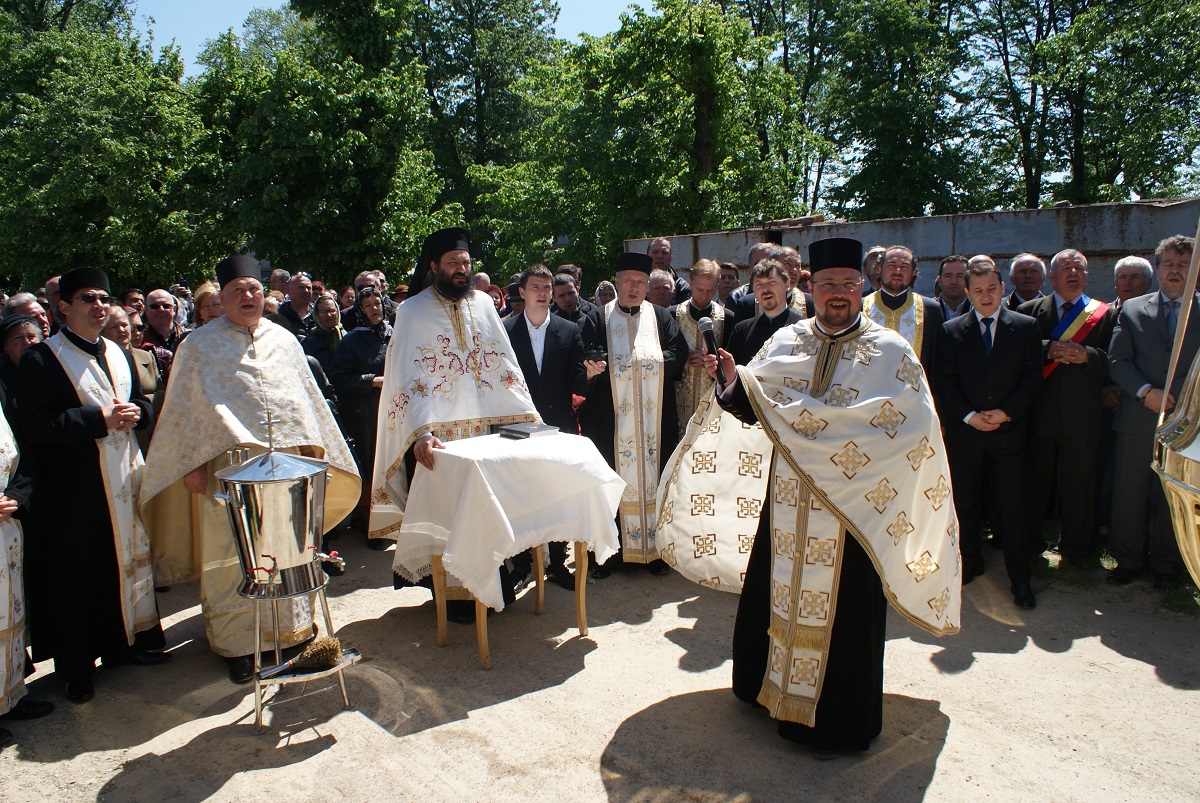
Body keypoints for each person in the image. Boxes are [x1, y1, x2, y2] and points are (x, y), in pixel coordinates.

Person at [668, 236, 959, 756]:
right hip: (788, 506)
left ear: (861, 287)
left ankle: (837, 721)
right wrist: (734, 384)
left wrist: (843, 439)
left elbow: (915, 430)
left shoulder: (891, 352)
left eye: (848, 284)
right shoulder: (788, 343)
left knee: (845, 615)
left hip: (852, 513)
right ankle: (767, 690)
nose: (838, 294)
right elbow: (755, 407)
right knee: (776, 595)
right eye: (827, 286)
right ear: (813, 288)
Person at [139, 256, 359, 684]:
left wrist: (320, 458)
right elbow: (185, 414)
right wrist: (192, 466)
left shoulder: (285, 341)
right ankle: (238, 645)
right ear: (221, 297)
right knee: (232, 560)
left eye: (253, 289)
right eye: (237, 289)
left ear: (264, 293)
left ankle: (295, 634)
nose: (247, 296)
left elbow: (308, 407)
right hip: (228, 471)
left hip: (290, 471)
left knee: (291, 553)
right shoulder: (199, 346)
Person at [369, 228, 540, 618]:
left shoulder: (482, 304)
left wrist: (527, 416)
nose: (462, 270)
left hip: (483, 435)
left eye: (465, 263)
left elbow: (503, 364)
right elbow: (406, 378)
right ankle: (451, 596)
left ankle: (492, 586)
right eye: (453, 264)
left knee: (485, 512)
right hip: (439, 441)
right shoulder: (411, 311)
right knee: (448, 517)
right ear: (433, 267)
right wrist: (420, 434)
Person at [19, 267, 166, 704]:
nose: (98, 306)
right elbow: (36, 425)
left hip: (123, 477)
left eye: (103, 298)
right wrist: (97, 420)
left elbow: (141, 401)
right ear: (63, 308)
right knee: (78, 577)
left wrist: (140, 412)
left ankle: (123, 647)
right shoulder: (43, 358)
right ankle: (77, 669)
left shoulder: (119, 352)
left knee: (121, 562)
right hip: (75, 491)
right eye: (87, 298)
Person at [937, 261, 1042, 608]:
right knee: (964, 503)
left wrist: (1006, 412)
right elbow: (945, 381)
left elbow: (1031, 378)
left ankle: (1020, 580)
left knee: (1012, 507)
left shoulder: (1026, 327)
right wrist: (968, 416)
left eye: (992, 289)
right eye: (978, 290)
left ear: (1002, 288)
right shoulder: (951, 330)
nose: (986, 296)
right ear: (967, 292)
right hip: (967, 436)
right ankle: (969, 563)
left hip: (1008, 434)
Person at [580, 252, 688, 577]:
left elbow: (679, 352)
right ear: (616, 282)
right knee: (609, 484)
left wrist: (647, 362)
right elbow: (586, 353)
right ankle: (608, 556)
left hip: (654, 423)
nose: (634, 287)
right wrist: (594, 364)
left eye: (640, 282)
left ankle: (654, 553)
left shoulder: (662, 316)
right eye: (628, 280)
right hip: (611, 423)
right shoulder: (598, 318)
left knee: (657, 483)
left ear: (647, 285)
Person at [1107, 235, 1197, 588]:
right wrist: (1147, 392)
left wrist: (1181, 397)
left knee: (1172, 494)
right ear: (1157, 269)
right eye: (1169, 264)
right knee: (1129, 491)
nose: (1175, 271)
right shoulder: (1131, 310)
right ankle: (1128, 559)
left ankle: (1166, 563)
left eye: (1183, 264)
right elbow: (1118, 360)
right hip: (1138, 417)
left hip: (1186, 422)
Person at [503, 265, 601, 588]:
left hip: (558, 425)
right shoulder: (505, 330)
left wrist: (588, 375)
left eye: (547, 287)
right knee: (520, 496)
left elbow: (575, 381)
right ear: (522, 292)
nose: (543, 293)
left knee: (558, 496)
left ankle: (557, 563)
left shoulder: (569, 330)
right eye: (536, 287)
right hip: (517, 428)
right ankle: (520, 565)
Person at [1018, 249, 1116, 567]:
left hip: (1084, 414)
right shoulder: (1030, 310)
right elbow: (1015, 355)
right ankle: (1031, 543)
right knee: (1035, 482)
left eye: (1079, 268)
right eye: (1065, 267)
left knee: (1080, 484)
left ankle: (1076, 549)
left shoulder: (1105, 313)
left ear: (1087, 276)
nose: (1072, 272)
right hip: (1039, 411)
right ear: (1053, 276)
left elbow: (1117, 359)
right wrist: (1048, 348)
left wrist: (1089, 355)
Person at [331, 287, 392, 542]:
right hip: (366, 414)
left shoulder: (393, 334)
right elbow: (339, 378)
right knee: (371, 468)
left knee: (393, 467)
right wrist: (372, 381)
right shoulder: (352, 341)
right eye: (367, 305)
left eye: (377, 303)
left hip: (393, 410)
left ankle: (393, 521)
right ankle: (370, 526)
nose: (374, 308)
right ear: (360, 310)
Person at [861, 245, 943, 373]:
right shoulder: (861, 306)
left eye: (904, 267)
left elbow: (937, 360)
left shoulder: (930, 310)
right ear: (879, 269)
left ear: (913, 273)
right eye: (891, 265)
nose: (897, 271)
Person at [671, 259, 726, 438]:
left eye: (710, 290)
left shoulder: (727, 318)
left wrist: (716, 363)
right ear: (691, 282)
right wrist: (683, 358)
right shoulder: (672, 314)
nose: (704, 295)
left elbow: (733, 360)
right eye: (699, 289)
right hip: (677, 398)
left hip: (712, 399)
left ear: (717, 286)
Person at [103, 305, 164, 457]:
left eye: (124, 325)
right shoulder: (100, 362)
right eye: (114, 326)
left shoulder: (146, 356)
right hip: (120, 435)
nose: (122, 330)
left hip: (151, 434)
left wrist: (138, 406)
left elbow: (162, 393)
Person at [725, 260, 806, 366]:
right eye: (759, 285)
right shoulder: (741, 331)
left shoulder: (804, 329)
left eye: (771, 282)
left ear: (787, 284)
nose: (765, 289)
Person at [302, 293, 345, 376]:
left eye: (332, 311)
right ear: (317, 315)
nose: (329, 315)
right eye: (323, 312)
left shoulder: (348, 337)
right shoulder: (309, 343)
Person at [647, 236, 691, 303]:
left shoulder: (681, 287)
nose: (659, 256)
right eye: (655, 252)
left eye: (664, 253)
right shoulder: (638, 284)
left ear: (671, 257)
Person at [278, 272, 314, 338]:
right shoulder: (279, 317)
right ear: (289, 291)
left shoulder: (319, 314)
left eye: (308, 288)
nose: (306, 291)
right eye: (301, 287)